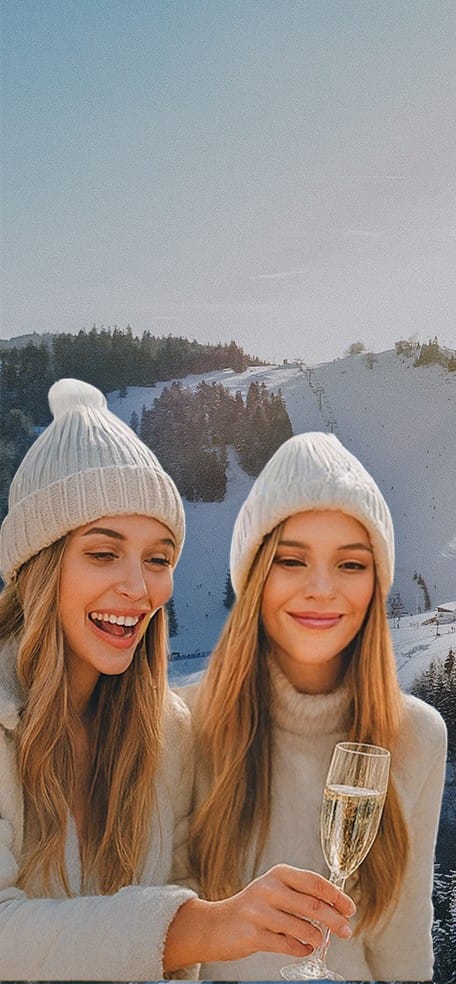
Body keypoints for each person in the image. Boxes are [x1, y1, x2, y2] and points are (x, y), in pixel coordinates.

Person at [0, 379, 354, 980]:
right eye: (103, 553)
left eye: (158, 559)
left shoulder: (166, 733)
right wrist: (202, 926)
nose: (138, 588)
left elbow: (182, 934)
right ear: (41, 567)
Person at [189, 432, 445, 980]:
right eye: (291, 560)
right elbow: (164, 946)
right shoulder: (184, 725)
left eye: (351, 565)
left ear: (375, 585)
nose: (322, 588)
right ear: (254, 578)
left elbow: (402, 950)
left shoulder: (418, 735)